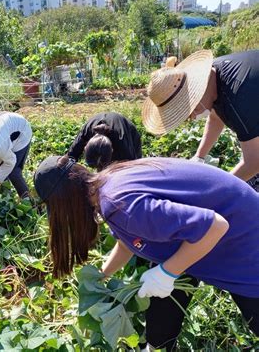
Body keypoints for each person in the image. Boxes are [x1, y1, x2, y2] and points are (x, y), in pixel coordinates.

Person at [34, 155, 259, 350]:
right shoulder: (108, 183)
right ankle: (158, 347)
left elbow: (214, 226)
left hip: (244, 241)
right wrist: (102, 277)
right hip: (207, 235)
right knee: (163, 299)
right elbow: (127, 242)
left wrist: (167, 273)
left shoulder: (120, 204)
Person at [142, 49, 259, 190]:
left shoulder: (239, 96)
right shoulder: (214, 77)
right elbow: (216, 118)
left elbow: (254, 161)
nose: (191, 118)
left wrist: (219, 189)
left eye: (187, 112)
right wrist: (199, 157)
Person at [67, 112, 142, 171]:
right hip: (96, 120)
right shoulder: (86, 132)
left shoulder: (124, 150)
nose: (97, 170)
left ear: (112, 150)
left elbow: (132, 170)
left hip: (129, 131)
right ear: (85, 148)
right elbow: (70, 158)